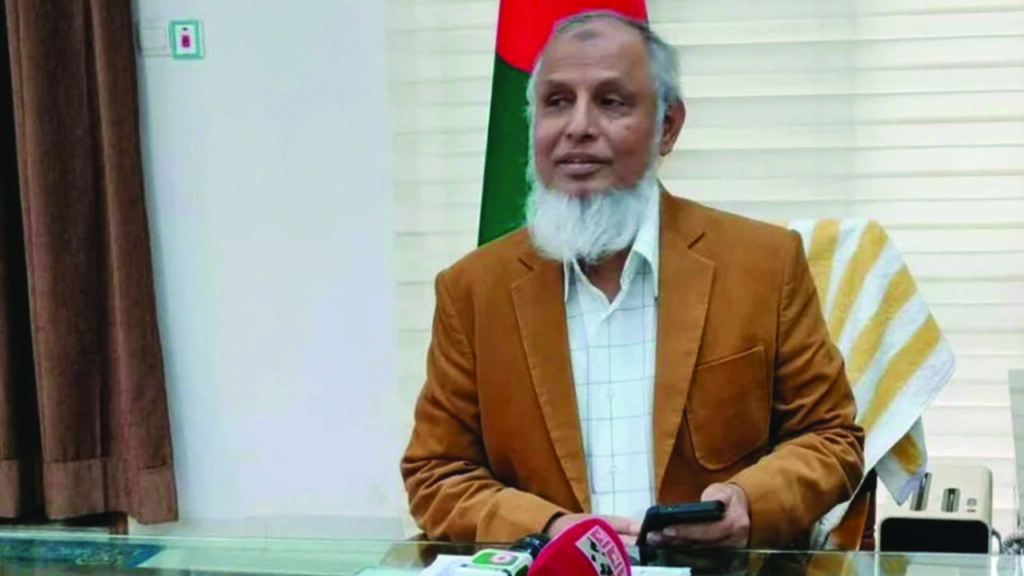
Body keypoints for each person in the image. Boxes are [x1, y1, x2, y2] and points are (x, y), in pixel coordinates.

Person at [401, 10, 864, 549]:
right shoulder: (473, 290)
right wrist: (549, 530)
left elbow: (830, 439)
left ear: (667, 126)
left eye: (611, 101)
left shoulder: (764, 264)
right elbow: (437, 473)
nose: (577, 127)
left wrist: (747, 503)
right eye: (556, 102)